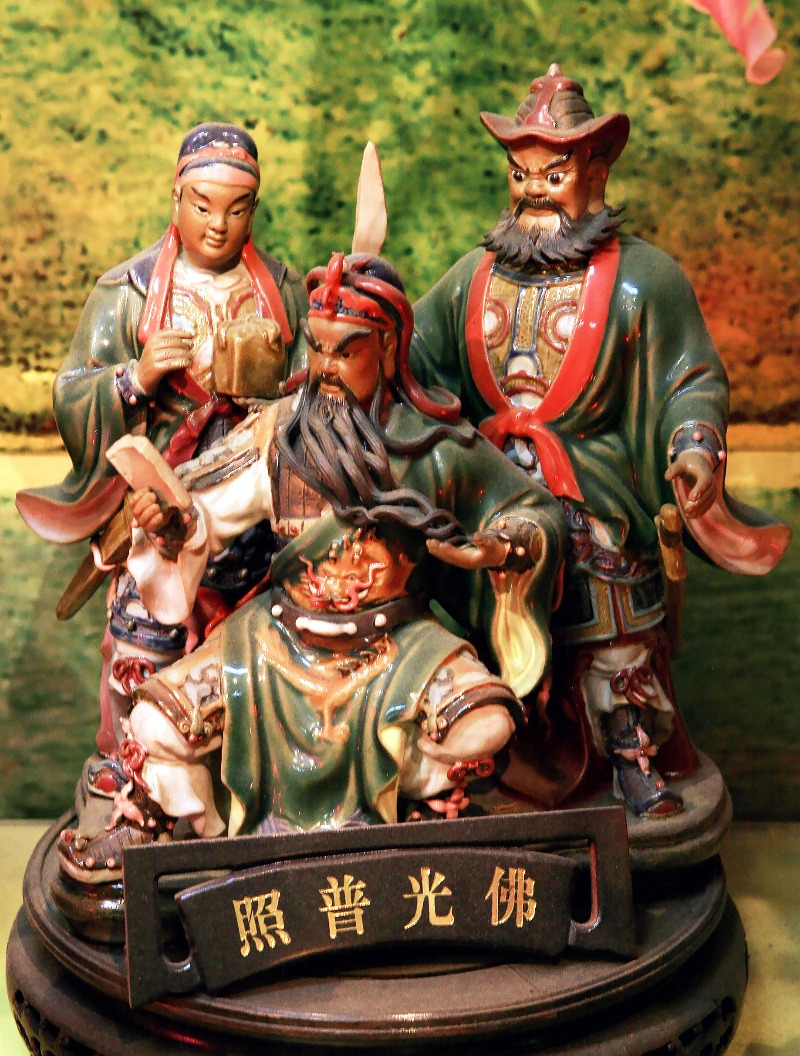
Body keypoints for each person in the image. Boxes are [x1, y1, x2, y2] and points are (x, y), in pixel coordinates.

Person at [58, 250, 565, 885]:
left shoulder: (436, 448)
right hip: (274, 648)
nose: (324, 368)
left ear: (388, 350)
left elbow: (529, 510)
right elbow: (205, 511)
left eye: (345, 352)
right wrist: (170, 522)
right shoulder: (277, 437)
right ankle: (158, 824)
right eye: (317, 349)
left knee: (485, 723)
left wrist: (500, 547)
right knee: (156, 720)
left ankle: (417, 804)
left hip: (396, 650)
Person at [409, 65, 790, 817]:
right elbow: (413, 351)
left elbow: (689, 380)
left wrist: (692, 450)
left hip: (593, 495)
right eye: (520, 174)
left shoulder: (645, 281)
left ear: (596, 170)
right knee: (497, 632)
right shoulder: (471, 278)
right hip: (497, 493)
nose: (534, 192)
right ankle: (500, 753)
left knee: (611, 634)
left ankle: (630, 753)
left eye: (553, 175)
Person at [16, 123, 308, 822]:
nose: (218, 224)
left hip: (255, 513)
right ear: (176, 197)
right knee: (144, 643)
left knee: (267, 647)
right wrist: (136, 378)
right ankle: (131, 780)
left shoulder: (283, 290)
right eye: (202, 205)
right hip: (158, 512)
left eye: (237, 209)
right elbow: (71, 392)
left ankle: (258, 784)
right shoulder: (127, 291)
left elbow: (311, 392)